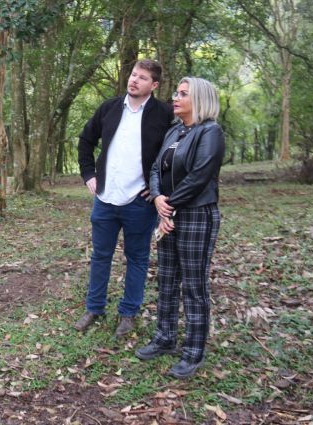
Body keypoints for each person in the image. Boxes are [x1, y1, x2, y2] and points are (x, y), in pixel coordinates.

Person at [75, 59, 175, 337]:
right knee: (100, 256)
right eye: (133, 75)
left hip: (140, 203)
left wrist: (159, 187)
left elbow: (174, 154)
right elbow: (85, 140)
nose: (134, 80)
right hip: (105, 198)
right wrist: (88, 174)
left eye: (142, 78)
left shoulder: (164, 114)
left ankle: (128, 313)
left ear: (154, 85)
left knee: (138, 258)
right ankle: (94, 308)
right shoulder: (109, 108)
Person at [135, 77, 225, 379]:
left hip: (196, 216)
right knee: (168, 279)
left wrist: (168, 205)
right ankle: (164, 338)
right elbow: (156, 168)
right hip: (168, 215)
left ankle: (193, 351)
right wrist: (158, 198)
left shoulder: (210, 132)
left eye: (183, 94)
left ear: (199, 100)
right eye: (176, 92)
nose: (176, 97)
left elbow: (200, 176)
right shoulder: (175, 130)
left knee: (194, 285)